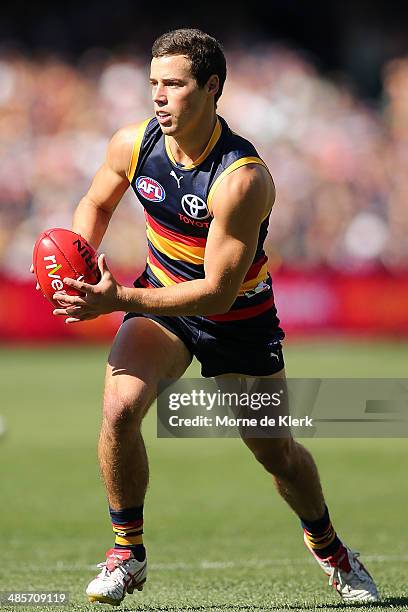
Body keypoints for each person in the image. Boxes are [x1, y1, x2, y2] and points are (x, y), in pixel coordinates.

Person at [50, 29, 378, 606]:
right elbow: (97, 202)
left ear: (211, 88)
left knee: (274, 450)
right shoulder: (132, 143)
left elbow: (219, 294)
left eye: (173, 84)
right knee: (120, 409)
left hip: (238, 318)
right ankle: (127, 553)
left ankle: (332, 549)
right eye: (153, 83)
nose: (158, 96)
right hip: (162, 299)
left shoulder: (242, 178)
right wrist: (79, 256)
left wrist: (117, 299)